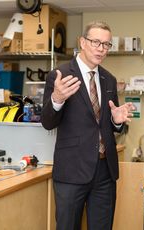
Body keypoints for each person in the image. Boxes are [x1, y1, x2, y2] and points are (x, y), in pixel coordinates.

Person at [41, 21, 135, 230]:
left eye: (106, 44)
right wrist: (57, 98)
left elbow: (107, 123)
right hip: (72, 170)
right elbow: (47, 122)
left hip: (104, 171)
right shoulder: (61, 75)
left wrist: (116, 122)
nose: (101, 49)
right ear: (82, 42)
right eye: (96, 42)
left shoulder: (108, 79)